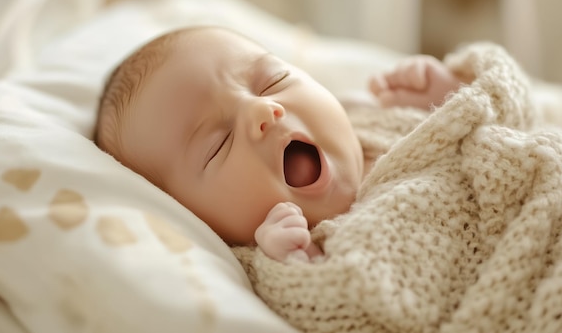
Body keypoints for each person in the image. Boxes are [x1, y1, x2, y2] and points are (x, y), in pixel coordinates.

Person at [94, 25, 462, 260]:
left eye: (273, 80)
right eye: (218, 144)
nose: (261, 110)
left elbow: (511, 125)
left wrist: (455, 94)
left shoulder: (383, 114)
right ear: (198, 221)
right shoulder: (277, 255)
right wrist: (298, 267)